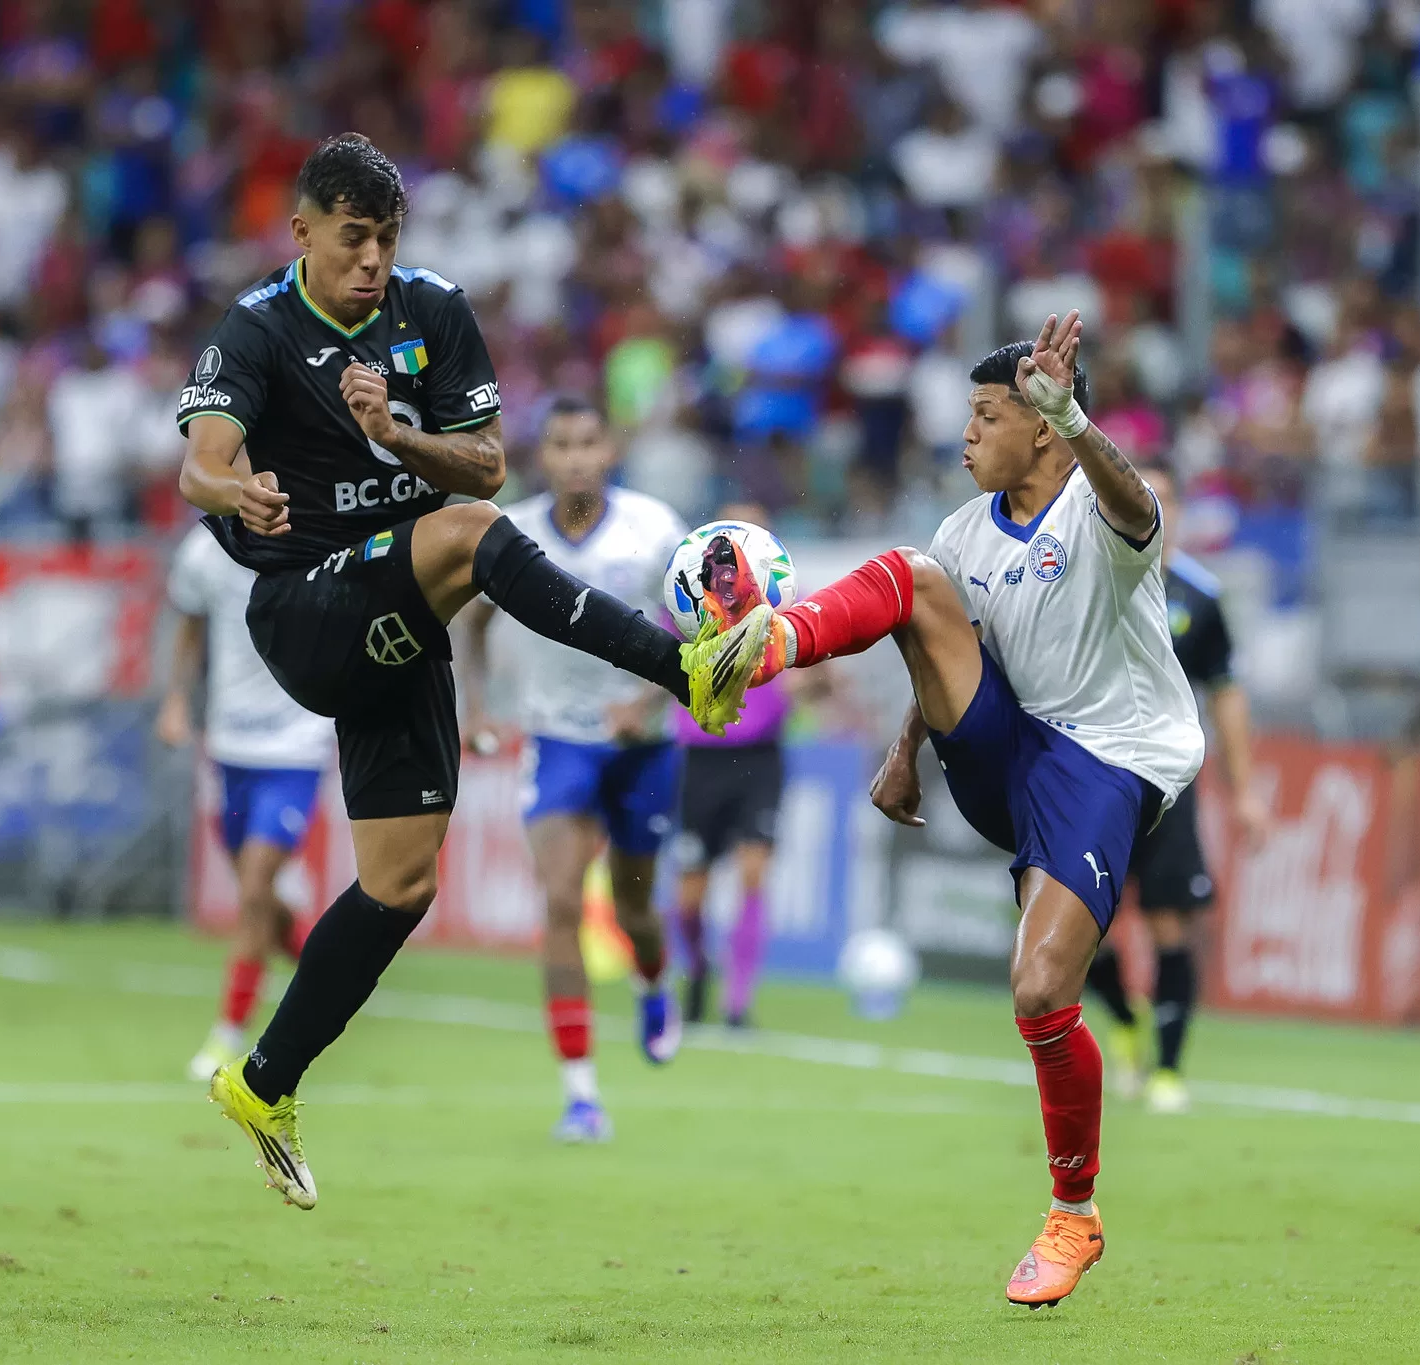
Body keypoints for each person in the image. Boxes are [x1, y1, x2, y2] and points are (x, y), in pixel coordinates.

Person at [175, 134, 767, 1210]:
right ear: (302, 232)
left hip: (393, 621)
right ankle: (685, 670)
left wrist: (394, 435)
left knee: (401, 883)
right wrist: (235, 496)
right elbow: (198, 463)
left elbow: (485, 457)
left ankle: (264, 1083)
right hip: (302, 606)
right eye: (351, 239)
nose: (370, 260)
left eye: (386, 239)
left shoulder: (430, 312)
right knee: (468, 535)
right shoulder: (255, 329)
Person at [708, 312, 1203, 1309]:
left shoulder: (1097, 513)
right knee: (912, 578)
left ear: (1044, 429)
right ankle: (770, 646)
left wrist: (1077, 419)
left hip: (1107, 764)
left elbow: (1137, 506)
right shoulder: (962, 532)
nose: (965, 436)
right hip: (1005, 749)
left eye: (985, 417)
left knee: (1036, 989)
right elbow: (942, 646)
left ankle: (1073, 1213)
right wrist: (902, 753)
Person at [459, 396, 689, 1144]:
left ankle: (653, 981)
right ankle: (581, 1093)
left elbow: (704, 625)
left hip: (638, 747)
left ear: (609, 450)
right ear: (544, 456)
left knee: (634, 913)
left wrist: (650, 702)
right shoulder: (513, 532)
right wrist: (476, 708)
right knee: (560, 901)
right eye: (560, 444)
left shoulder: (654, 530)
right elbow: (473, 619)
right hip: (556, 740)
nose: (575, 457)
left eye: (588, 442)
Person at [1081, 463, 1269, 1115]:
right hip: (1096, 781)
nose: (1149, 508)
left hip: (1169, 786)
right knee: (1081, 932)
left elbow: (1228, 694)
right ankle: (1126, 1020)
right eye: (1138, 495)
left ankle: (1167, 1068)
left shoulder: (1200, 596)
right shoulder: (1091, 580)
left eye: (1161, 499)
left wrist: (1244, 788)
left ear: (1180, 513)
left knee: (1168, 925)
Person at [158, 525, 337, 1085]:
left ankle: (228, 1033)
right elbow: (190, 627)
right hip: (230, 745)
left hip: (295, 745)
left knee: (258, 888)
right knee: (258, 901)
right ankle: (332, 978)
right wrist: (176, 701)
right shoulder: (203, 550)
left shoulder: (314, 534)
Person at [672, 502, 796, 1031]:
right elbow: (664, 665)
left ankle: (738, 1004)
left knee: (752, 874)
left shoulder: (782, 604)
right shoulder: (684, 606)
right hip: (700, 758)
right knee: (689, 897)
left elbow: (807, 660)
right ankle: (698, 970)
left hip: (760, 758)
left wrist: (821, 683)